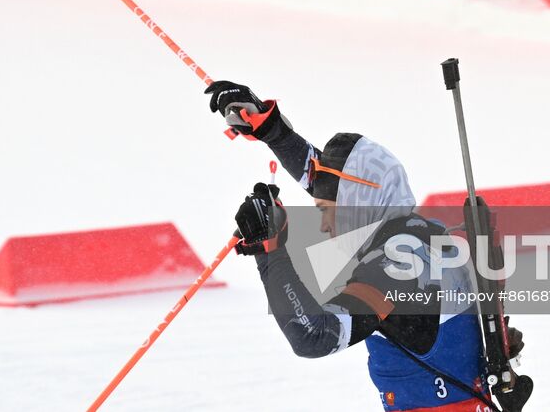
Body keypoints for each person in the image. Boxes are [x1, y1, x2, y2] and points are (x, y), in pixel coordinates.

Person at [207, 80, 524, 412]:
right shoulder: (424, 237)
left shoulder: (397, 269)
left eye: (325, 212)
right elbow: (337, 185)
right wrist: (272, 130)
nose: (324, 226)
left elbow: (313, 335)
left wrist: (268, 250)